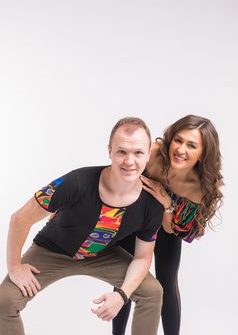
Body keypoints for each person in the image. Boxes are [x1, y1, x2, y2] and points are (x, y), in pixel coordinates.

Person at [0, 117, 164, 335]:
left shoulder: (152, 205)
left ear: (148, 155)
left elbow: (143, 257)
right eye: (122, 152)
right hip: (51, 251)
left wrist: (122, 294)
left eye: (138, 153)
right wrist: (14, 267)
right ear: (109, 151)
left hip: (104, 255)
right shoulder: (76, 182)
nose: (129, 161)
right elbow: (20, 218)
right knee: (5, 301)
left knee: (152, 292)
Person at [112, 114, 223, 335]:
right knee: (124, 279)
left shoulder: (201, 187)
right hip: (134, 216)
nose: (181, 149)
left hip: (168, 224)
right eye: (179, 140)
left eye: (192, 145)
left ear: (203, 153)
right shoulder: (152, 152)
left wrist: (167, 203)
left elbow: (175, 230)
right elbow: (114, 173)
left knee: (167, 283)